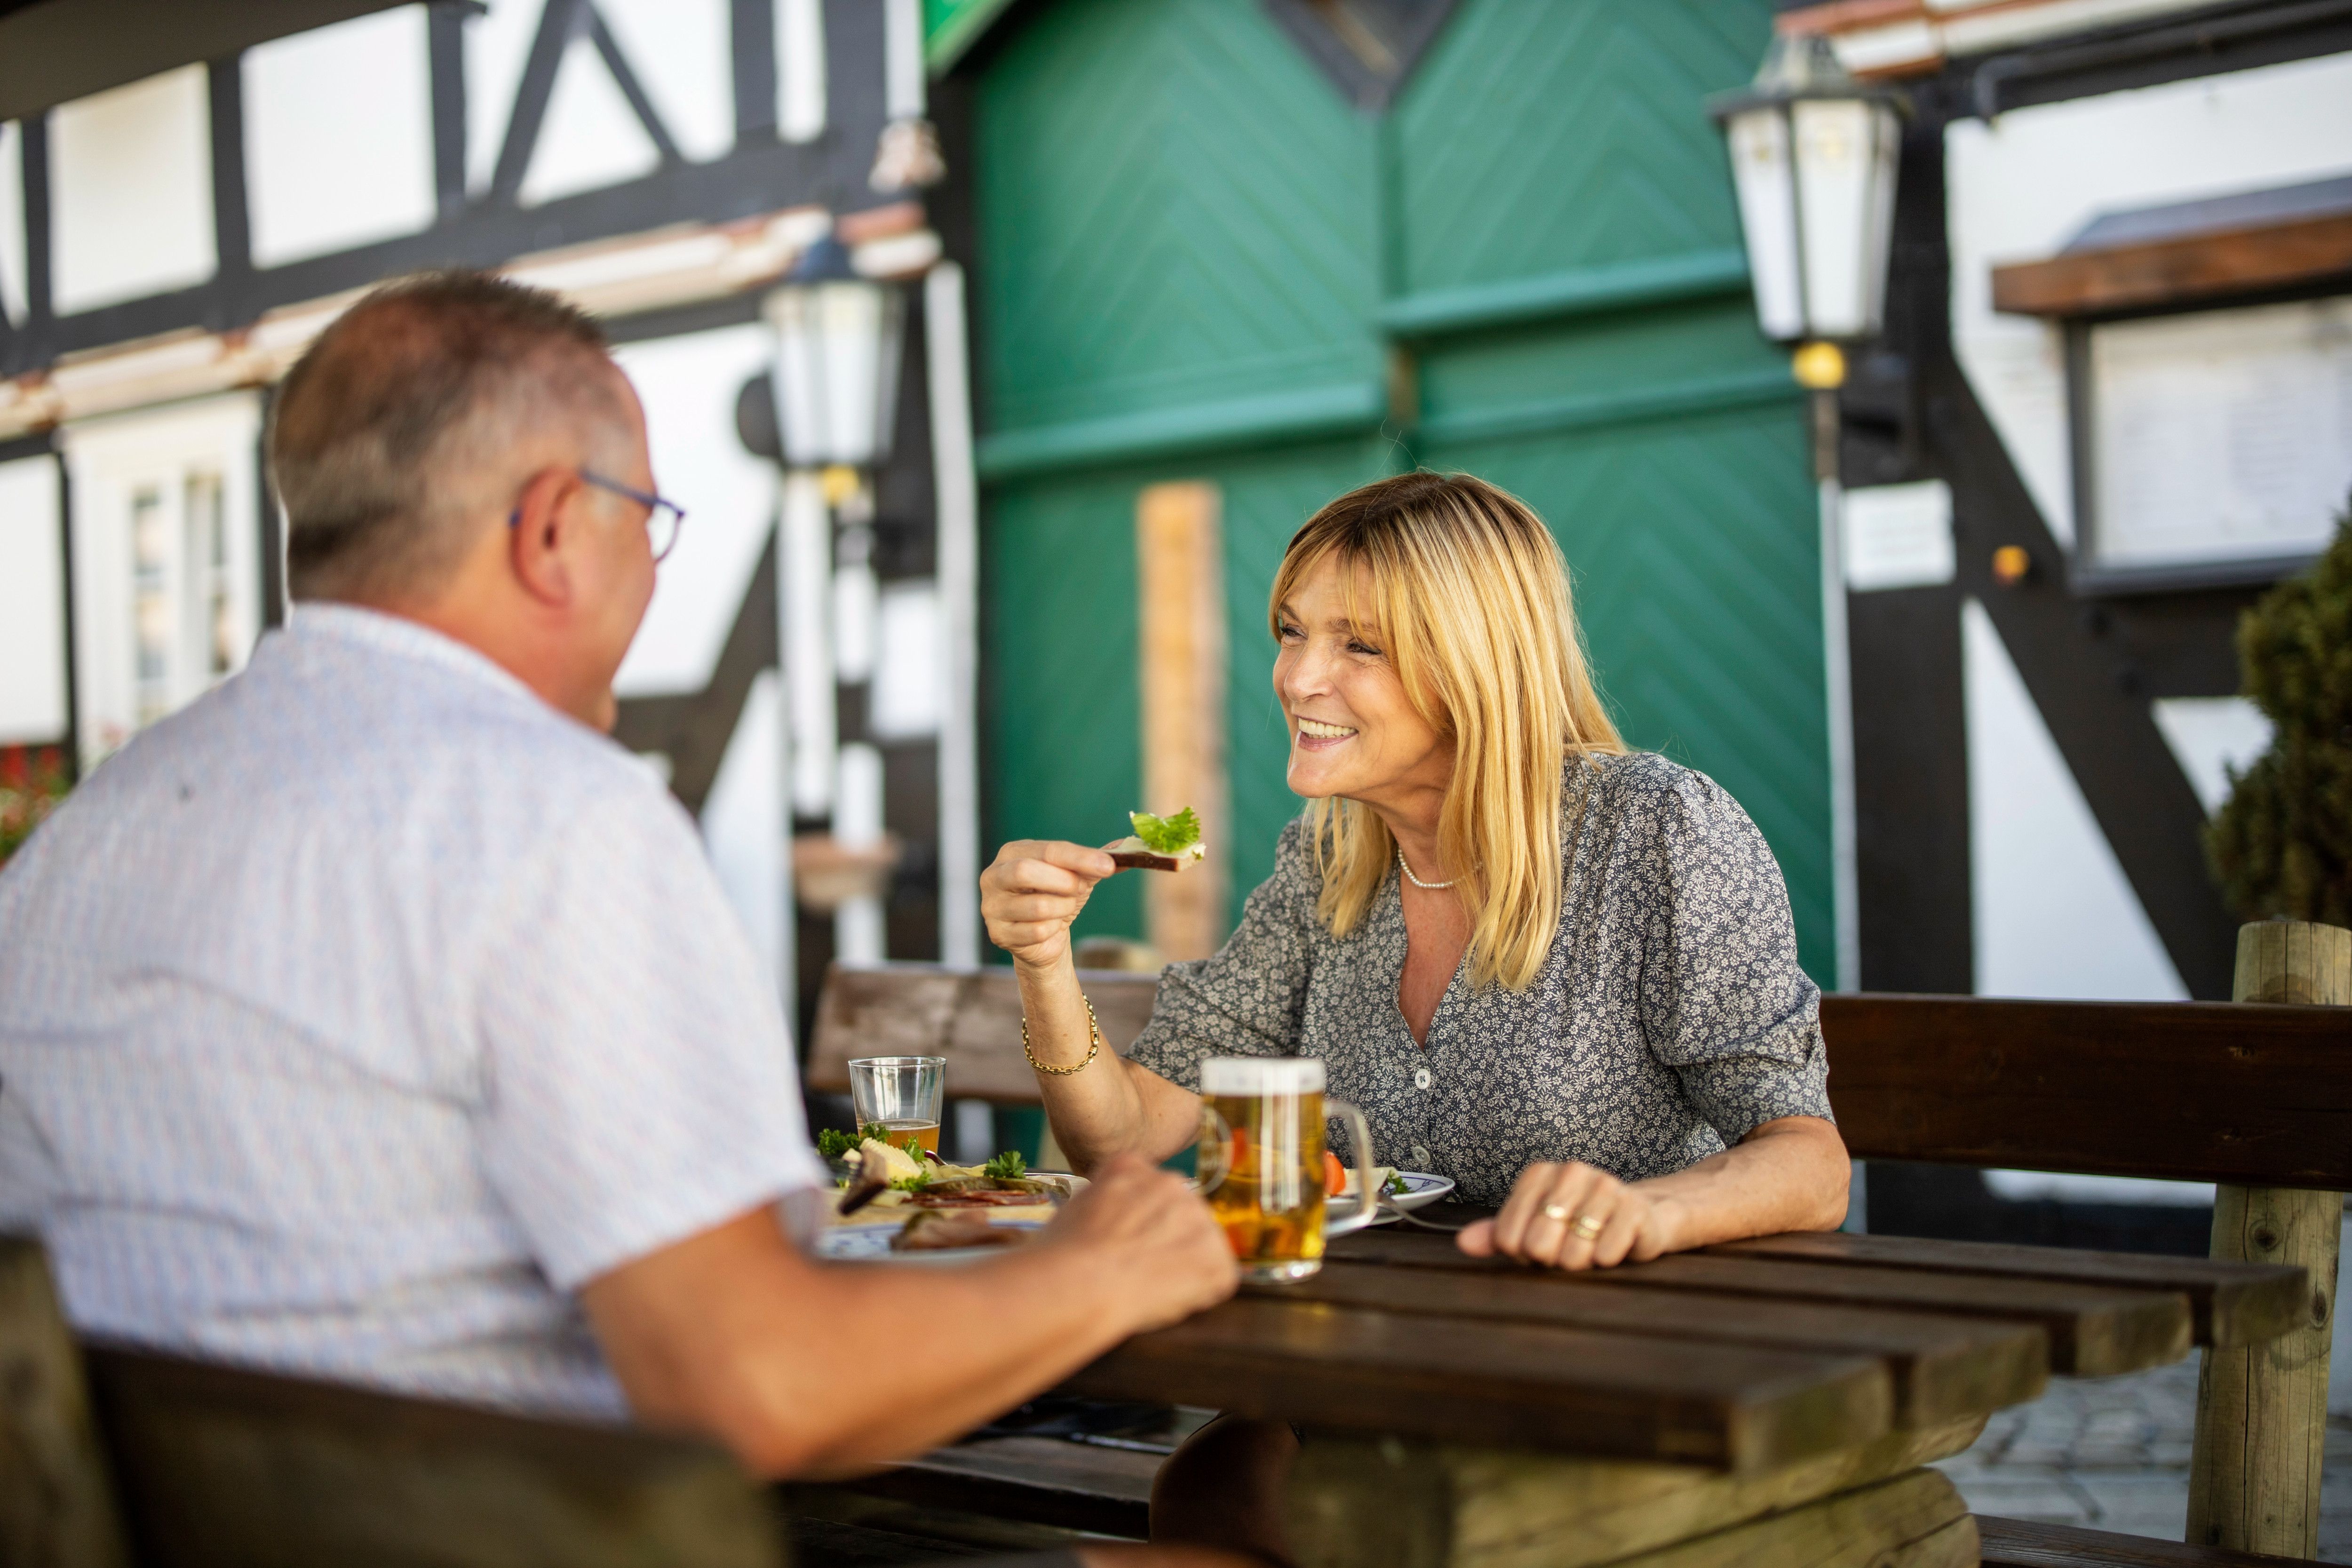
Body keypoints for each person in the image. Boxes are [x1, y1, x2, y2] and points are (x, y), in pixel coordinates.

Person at [0, 271, 1239, 1502]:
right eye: (647, 517)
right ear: (551, 530)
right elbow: (758, 1388)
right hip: (503, 1531)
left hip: (190, 1527)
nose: (653, 565)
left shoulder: (86, 832)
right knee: (1234, 1525)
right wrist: (1102, 1265)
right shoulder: (551, 811)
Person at [982, 471, 1849, 1273]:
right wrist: (1043, 958)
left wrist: (1643, 1212)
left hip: (1629, 1338)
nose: (1299, 678)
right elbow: (1123, 1141)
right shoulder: (1323, 864)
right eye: (1293, 631)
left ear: (1475, 665)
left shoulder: (1656, 833)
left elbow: (1811, 1165)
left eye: (1361, 645)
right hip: (1374, 1330)